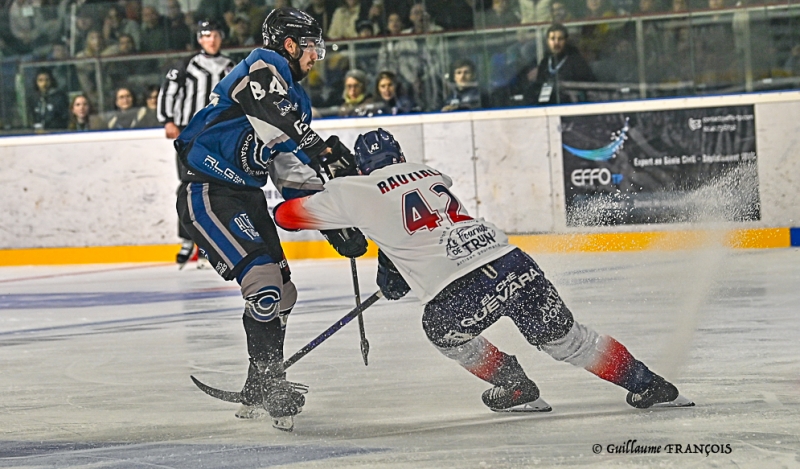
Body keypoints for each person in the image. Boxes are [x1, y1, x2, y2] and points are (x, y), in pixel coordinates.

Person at [273, 128, 694, 415]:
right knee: (570, 341)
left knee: (439, 328)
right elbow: (419, 228)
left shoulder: (356, 188)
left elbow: (287, 216)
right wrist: (395, 269)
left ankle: (515, 386)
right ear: (399, 156)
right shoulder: (429, 174)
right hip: (514, 262)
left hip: (463, 287)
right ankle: (649, 383)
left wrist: (333, 188)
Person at [173, 7, 368, 431]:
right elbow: (268, 105)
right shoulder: (263, 65)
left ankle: (256, 384)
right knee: (262, 286)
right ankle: (269, 379)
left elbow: (289, 170)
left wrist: (333, 224)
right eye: (313, 47)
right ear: (290, 44)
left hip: (247, 197)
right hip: (207, 190)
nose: (317, 57)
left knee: (284, 293)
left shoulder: (297, 101)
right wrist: (316, 145)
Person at [157, 20, 235, 267]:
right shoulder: (186, 66)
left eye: (214, 35)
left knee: (216, 187)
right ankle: (188, 238)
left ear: (221, 37)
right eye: (205, 36)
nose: (210, 40)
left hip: (219, 136)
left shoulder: (230, 66)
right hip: (191, 135)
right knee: (189, 185)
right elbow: (168, 92)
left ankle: (207, 241)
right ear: (199, 40)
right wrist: (168, 120)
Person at [529, 23, 596, 105]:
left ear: (566, 40)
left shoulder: (576, 61)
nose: (556, 43)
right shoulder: (545, 62)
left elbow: (588, 87)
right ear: (547, 41)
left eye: (560, 39)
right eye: (552, 39)